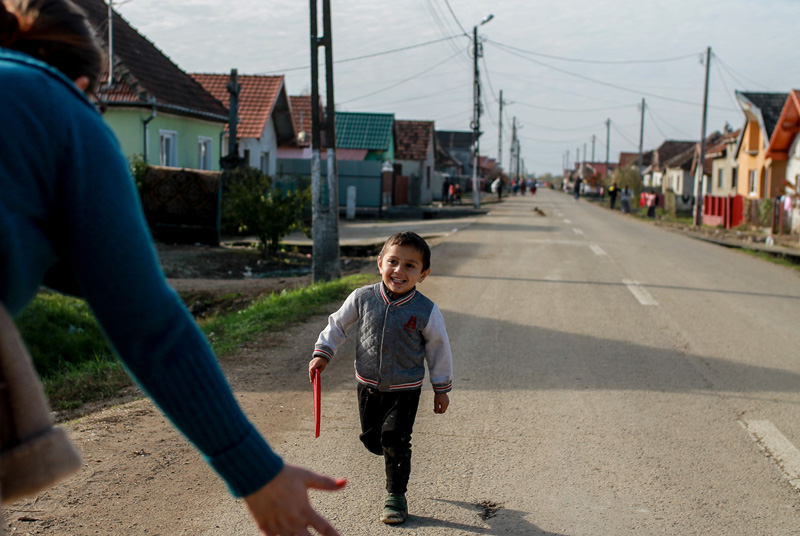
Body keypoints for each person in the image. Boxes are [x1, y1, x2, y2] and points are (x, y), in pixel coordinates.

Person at [0, 1, 345, 534]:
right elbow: (147, 323)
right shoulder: (61, 110)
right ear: (88, 84)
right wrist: (256, 471)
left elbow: (69, 264)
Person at [308, 232, 453, 525]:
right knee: (373, 439)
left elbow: (439, 348)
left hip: (406, 388)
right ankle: (383, 446)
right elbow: (337, 324)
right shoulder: (362, 297)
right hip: (368, 384)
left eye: (410, 266)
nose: (399, 271)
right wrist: (323, 353)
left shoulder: (426, 310)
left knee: (396, 439)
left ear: (423, 274)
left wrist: (441, 388)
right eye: (393, 262)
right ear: (380, 264)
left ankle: (395, 497)